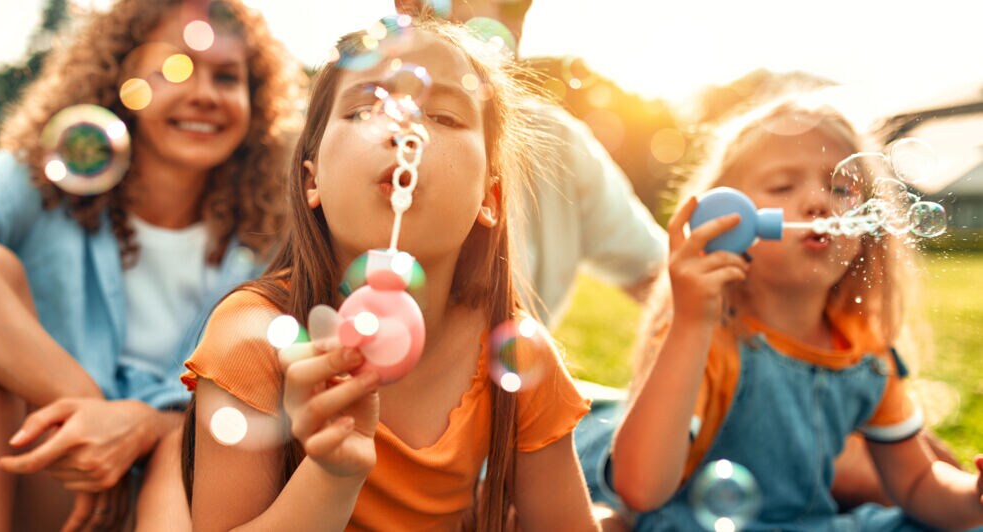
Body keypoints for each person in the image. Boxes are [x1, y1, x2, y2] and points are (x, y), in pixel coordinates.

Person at [0, 0, 302, 529]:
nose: (203, 94)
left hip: (190, 498)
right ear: (120, 82)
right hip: (54, 475)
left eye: (228, 77)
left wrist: (146, 425)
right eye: (175, 68)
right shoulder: (43, 181)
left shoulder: (273, 234)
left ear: (257, 104)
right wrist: (82, 399)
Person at [178, 17, 598, 530]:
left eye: (443, 116)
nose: (405, 130)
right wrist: (331, 476)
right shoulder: (253, 338)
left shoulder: (518, 356)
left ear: (489, 200)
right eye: (363, 110)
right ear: (313, 181)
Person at [610, 96, 983, 529]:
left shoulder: (863, 352)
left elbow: (918, 483)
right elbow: (638, 488)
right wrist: (691, 324)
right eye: (784, 186)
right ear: (731, 221)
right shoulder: (707, 340)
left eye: (841, 189)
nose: (817, 202)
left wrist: (974, 498)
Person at [396, 0, 667, 326]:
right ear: (410, 6)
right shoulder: (354, 132)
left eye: (519, 7)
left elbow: (656, 274)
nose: (514, 26)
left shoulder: (556, 141)